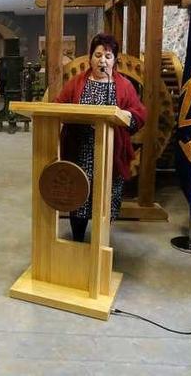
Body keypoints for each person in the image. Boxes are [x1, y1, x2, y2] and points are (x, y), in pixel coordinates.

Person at [54, 33, 147, 242]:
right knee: (79, 196)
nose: (102, 60)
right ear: (90, 57)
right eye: (97, 55)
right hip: (80, 152)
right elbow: (58, 104)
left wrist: (128, 116)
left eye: (107, 56)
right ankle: (78, 240)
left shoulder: (123, 85)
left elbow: (140, 113)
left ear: (114, 60)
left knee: (105, 199)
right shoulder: (77, 83)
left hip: (110, 153)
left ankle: (100, 242)